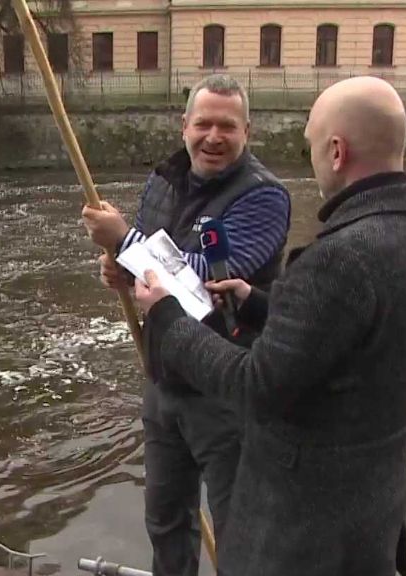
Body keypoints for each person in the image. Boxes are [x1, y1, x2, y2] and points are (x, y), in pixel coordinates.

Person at [132, 76, 406, 576]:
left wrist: (168, 316)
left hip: (306, 532)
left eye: (311, 144)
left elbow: (255, 386)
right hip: (373, 513)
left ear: (337, 151)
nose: (312, 158)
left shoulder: (338, 258)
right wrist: (257, 303)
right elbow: (342, 339)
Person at [82, 74, 291, 576]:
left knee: (240, 531)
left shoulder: (265, 198)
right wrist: (120, 269)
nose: (213, 137)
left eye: (227, 126)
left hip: (225, 390)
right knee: (165, 520)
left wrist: (126, 241)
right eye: (203, 124)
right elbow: (151, 270)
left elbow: (210, 280)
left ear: (248, 131)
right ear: (184, 126)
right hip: (164, 380)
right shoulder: (164, 180)